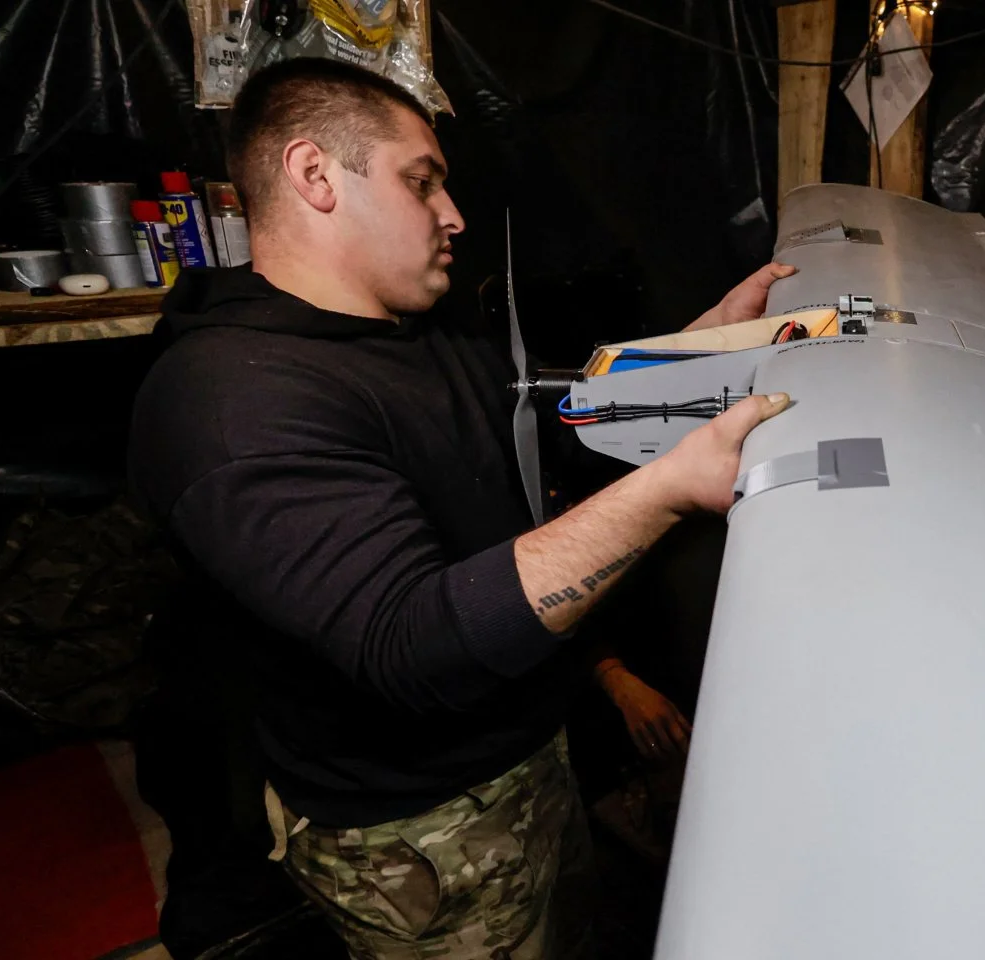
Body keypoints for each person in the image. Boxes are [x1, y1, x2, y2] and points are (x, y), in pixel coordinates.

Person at [127, 57, 792, 960]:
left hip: (530, 754)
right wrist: (669, 488)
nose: (454, 215)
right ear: (315, 175)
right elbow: (411, 643)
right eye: (421, 182)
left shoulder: (413, 329)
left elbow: (542, 434)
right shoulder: (233, 401)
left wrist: (696, 349)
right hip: (418, 834)